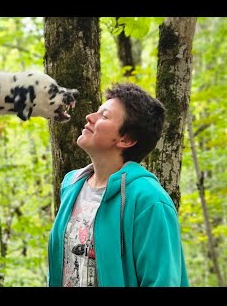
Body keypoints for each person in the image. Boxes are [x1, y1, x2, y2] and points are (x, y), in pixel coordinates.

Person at [47, 82, 189, 287]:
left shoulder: (150, 200)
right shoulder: (72, 184)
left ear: (126, 139)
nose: (90, 117)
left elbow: (162, 281)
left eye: (104, 116)